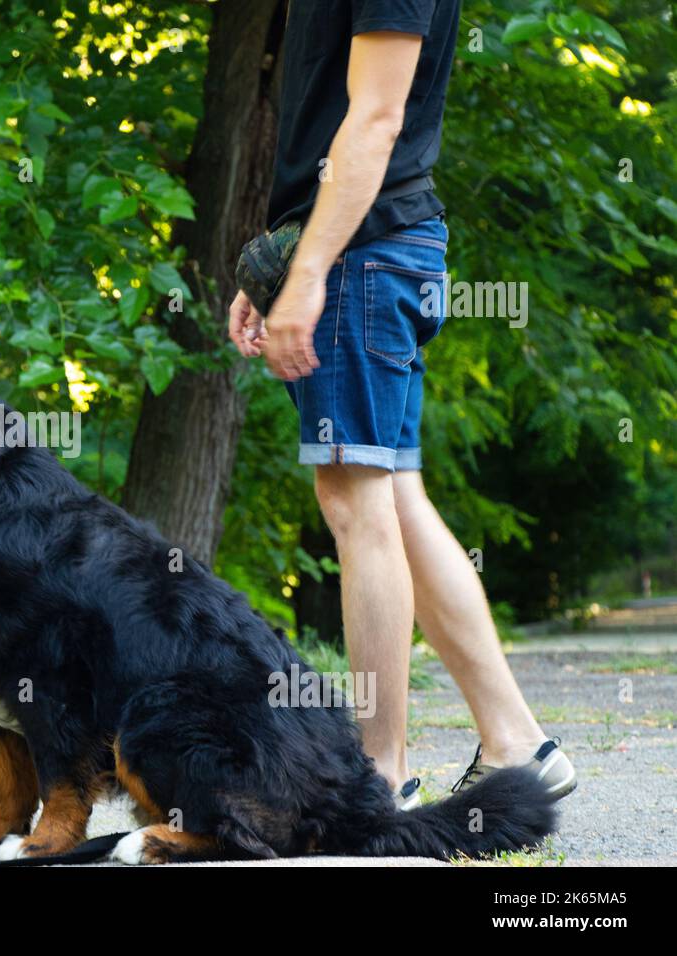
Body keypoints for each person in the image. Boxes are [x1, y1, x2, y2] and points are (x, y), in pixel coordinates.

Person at [228, 0, 575, 808]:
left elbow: (377, 118)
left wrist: (310, 271)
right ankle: (517, 744)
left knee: (353, 504)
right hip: (360, 248)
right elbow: (325, 128)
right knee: (395, 500)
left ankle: (376, 778)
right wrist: (275, 265)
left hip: (365, 255)